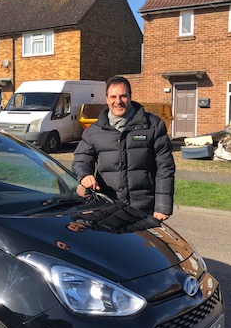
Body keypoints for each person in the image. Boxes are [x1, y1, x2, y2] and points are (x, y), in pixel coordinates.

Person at [72, 75, 175, 221]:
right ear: (107, 99)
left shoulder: (153, 125)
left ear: (130, 97)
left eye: (123, 96)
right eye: (113, 97)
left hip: (144, 209)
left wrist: (162, 207)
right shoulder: (93, 131)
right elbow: (81, 160)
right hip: (107, 209)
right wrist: (84, 175)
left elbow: (165, 168)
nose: (118, 101)